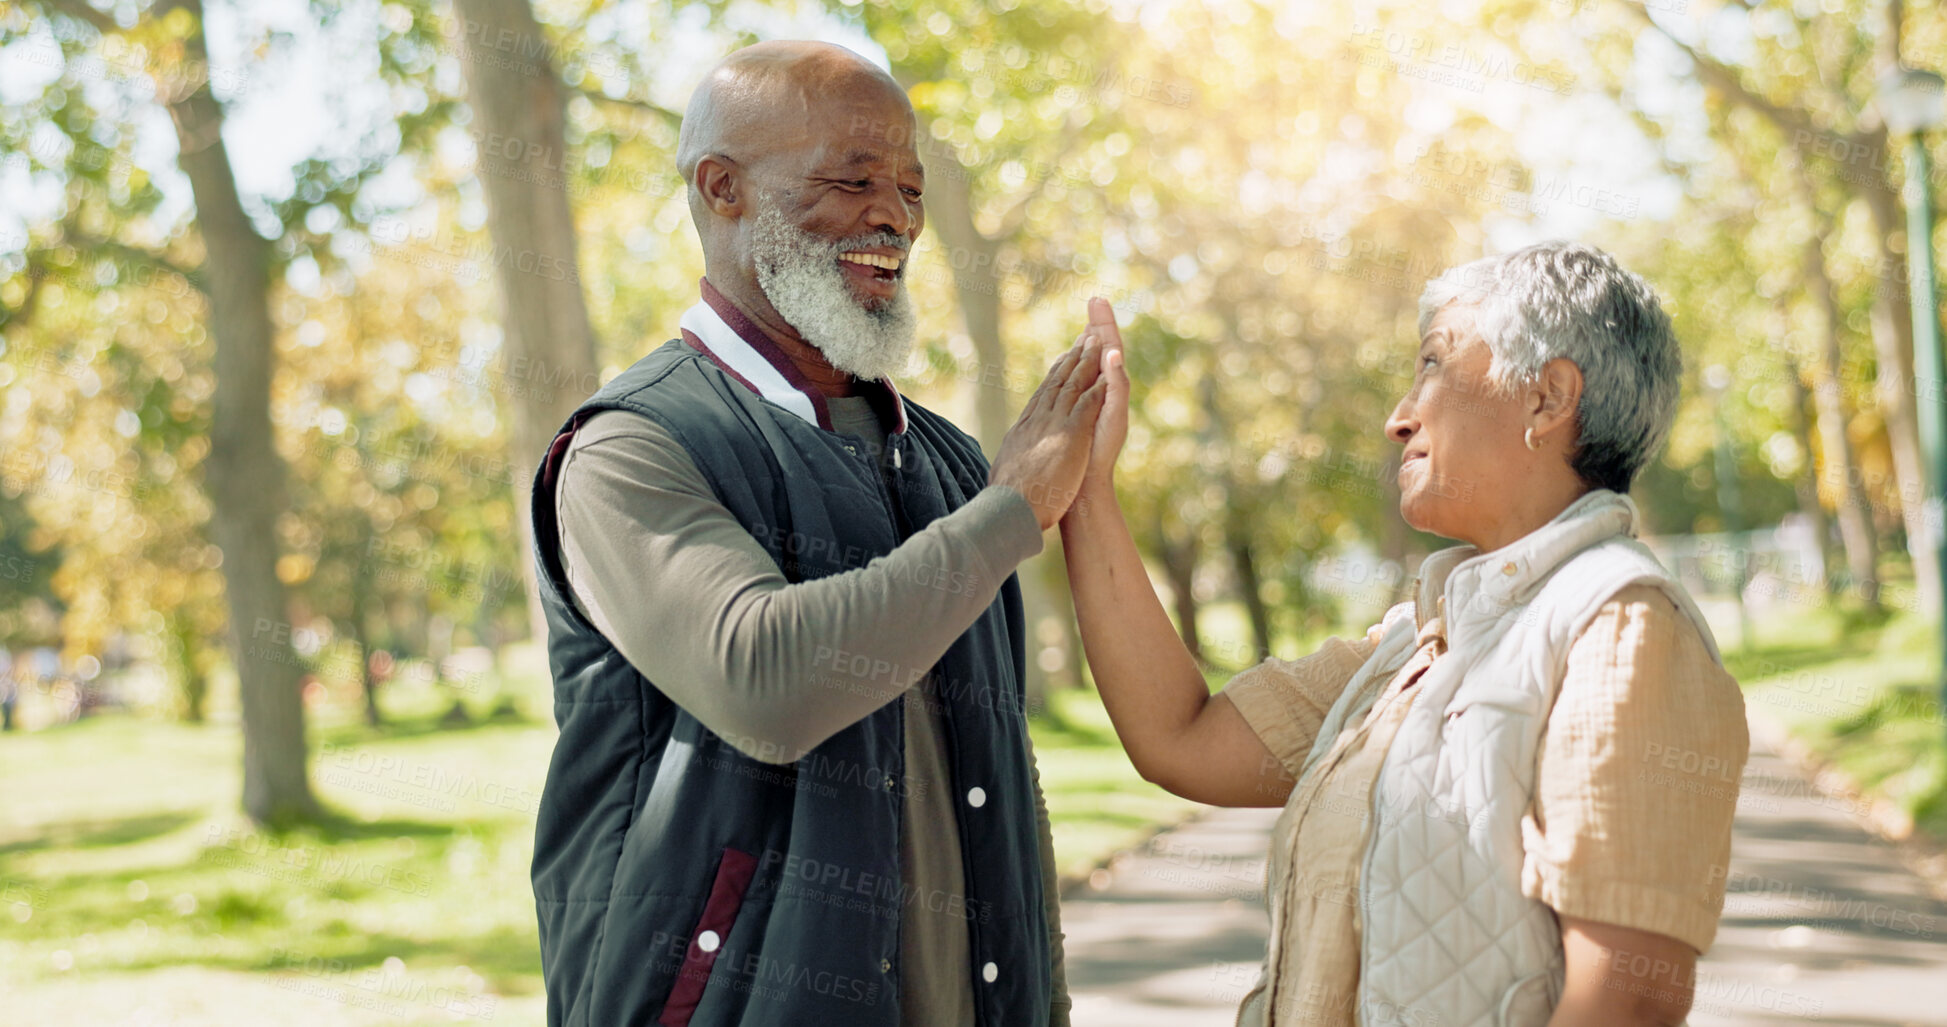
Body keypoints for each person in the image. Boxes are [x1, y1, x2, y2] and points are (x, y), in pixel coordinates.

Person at [527, 40, 1101, 1027]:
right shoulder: (629, 448)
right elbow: (766, 678)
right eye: (854, 179)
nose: (895, 216)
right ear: (723, 188)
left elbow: (1006, 791)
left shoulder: (955, 461)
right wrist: (1013, 515)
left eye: (910, 190)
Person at [1061, 242, 1749, 1026]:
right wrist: (1087, 488)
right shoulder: (1417, 640)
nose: (1398, 418)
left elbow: (1624, 1002)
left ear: (1547, 398)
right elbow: (1179, 738)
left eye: (1432, 362)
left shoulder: (1620, 628)